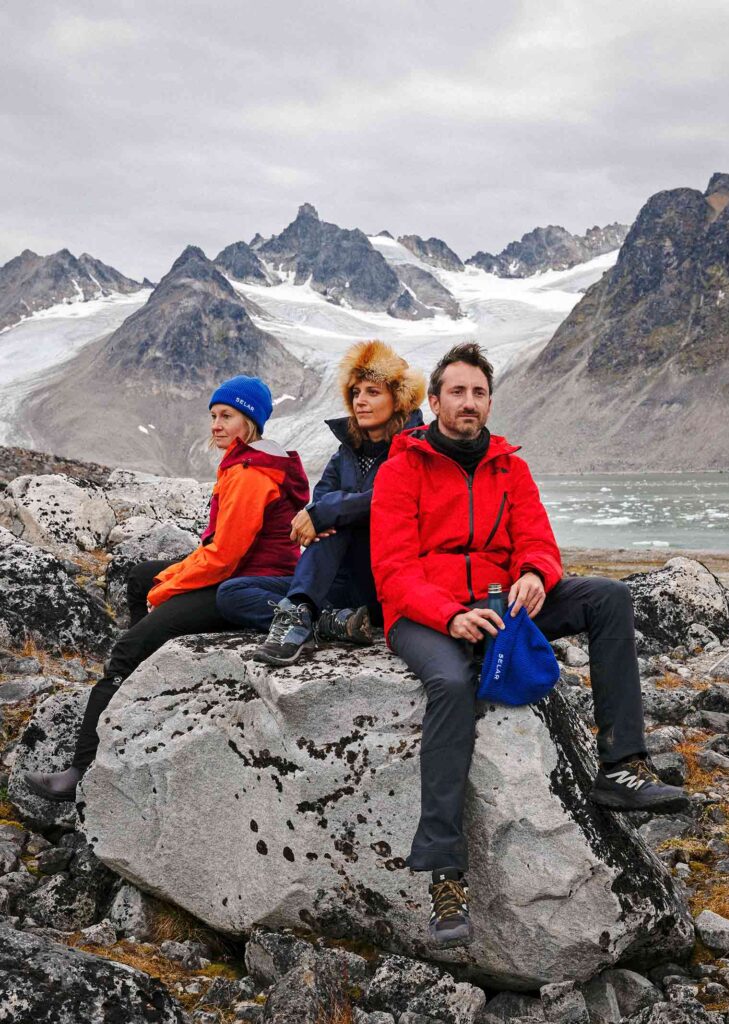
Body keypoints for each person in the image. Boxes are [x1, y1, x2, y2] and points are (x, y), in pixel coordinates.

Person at [370, 342, 688, 950]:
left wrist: (536, 574)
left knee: (607, 598)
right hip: (424, 612)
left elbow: (536, 538)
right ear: (433, 402)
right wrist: (450, 616)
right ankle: (445, 874)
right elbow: (393, 571)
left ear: (489, 402)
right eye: (457, 392)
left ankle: (622, 767)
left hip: (501, 605)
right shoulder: (401, 469)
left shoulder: (507, 466)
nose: (469, 403)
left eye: (479, 393)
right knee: (451, 684)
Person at [25, 374, 309, 802]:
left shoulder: (253, 473)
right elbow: (218, 550)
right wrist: (164, 581)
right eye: (213, 415)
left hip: (250, 581)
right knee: (140, 575)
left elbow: (223, 557)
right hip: (238, 571)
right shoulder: (244, 461)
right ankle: (147, 666)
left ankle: (79, 771)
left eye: (226, 415)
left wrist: (168, 589)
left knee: (131, 636)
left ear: (248, 421)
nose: (215, 424)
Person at [217, 339, 425, 665]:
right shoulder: (346, 451)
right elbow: (320, 499)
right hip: (335, 584)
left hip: (385, 579)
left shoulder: (418, 447)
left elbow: (393, 500)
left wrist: (329, 513)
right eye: (356, 393)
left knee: (337, 519)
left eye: (373, 392)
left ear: (398, 398)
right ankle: (325, 620)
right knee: (230, 593)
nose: (361, 401)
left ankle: (301, 617)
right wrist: (324, 512)